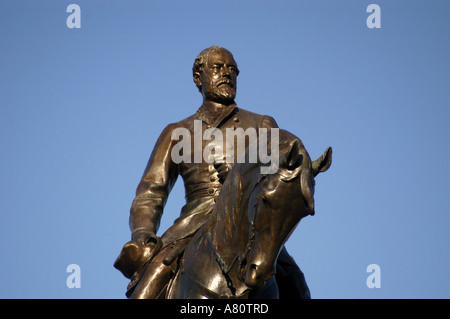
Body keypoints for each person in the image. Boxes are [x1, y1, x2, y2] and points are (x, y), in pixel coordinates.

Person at [114, 46, 310, 299]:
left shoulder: (262, 124)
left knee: (296, 283)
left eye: (232, 69)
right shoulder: (176, 132)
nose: (226, 74)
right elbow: (151, 193)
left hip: (249, 226)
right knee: (147, 290)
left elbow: (279, 178)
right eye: (217, 68)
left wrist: (242, 179)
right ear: (199, 77)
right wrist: (142, 234)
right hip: (193, 223)